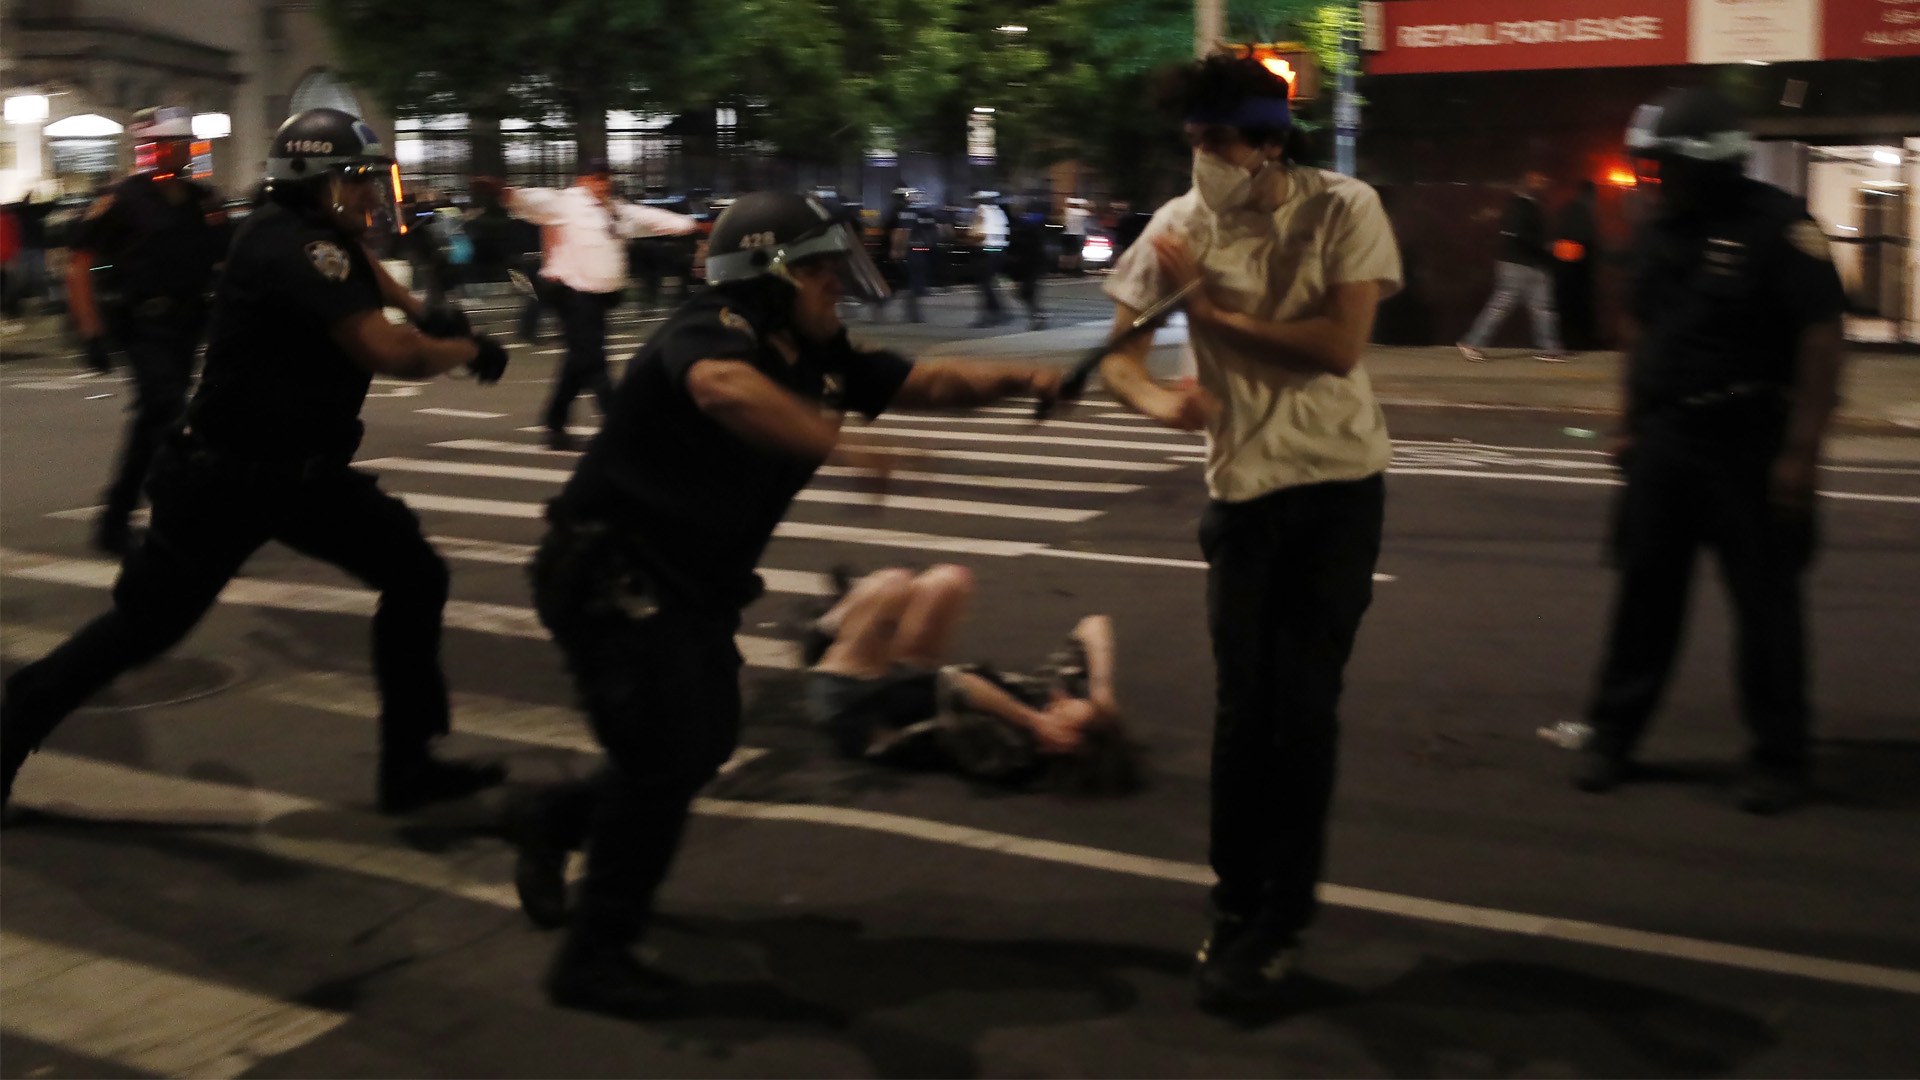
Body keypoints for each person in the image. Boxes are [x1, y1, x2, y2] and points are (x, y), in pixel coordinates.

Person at [507, 190, 1064, 1018]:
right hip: (609, 576)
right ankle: (595, 955)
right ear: (771, 276)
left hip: (686, 585)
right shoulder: (716, 327)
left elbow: (927, 378)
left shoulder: (818, 352)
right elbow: (721, 388)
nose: (837, 286)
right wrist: (839, 443)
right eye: (822, 272)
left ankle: (553, 820)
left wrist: (1024, 375)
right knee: (668, 755)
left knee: (698, 744)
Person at [0, 108, 514, 816]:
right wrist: (468, 351)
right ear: (313, 179)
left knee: (415, 574)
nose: (367, 195)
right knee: (146, 628)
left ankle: (409, 765)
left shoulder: (305, 233)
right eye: (354, 180)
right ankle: (15, 722)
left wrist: (421, 308)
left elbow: (361, 269)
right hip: (226, 480)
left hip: (299, 475)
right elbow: (387, 352)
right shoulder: (295, 247)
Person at [1094, 54, 1401, 1012]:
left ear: (1270, 141)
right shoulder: (1174, 227)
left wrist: (1210, 310)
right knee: (1242, 711)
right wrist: (1155, 402)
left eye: (1220, 140)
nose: (1205, 158)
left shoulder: (1345, 207)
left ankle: (1282, 918)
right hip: (1243, 492)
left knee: (1303, 711)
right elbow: (1119, 356)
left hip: (1341, 484)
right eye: (1192, 142)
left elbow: (1338, 346)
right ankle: (1234, 903)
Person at [1571, 87, 1846, 816]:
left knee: (1766, 610)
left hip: (1750, 446)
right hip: (1668, 443)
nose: (1654, 181)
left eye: (1663, 167)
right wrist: (1629, 422)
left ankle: (1780, 758)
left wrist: (1801, 454)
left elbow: (1821, 343)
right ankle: (1613, 736)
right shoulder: (1665, 231)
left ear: (1709, 163)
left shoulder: (1781, 229)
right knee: (1644, 598)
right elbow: (1641, 330)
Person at [801, 565, 1135, 792]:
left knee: (892, 584)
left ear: (1065, 742)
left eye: (1062, 711)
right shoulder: (1040, 704)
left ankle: (824, 632)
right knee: (951, 580)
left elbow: (957, 683)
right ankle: (846, 618)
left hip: (853, 704)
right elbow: (1093, 625)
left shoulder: (1011, 751)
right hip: (902, 681)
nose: (1059, 698)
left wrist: (1031, 720)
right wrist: (1101, 692)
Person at [64, 107, 226, 555]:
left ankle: (117, 520)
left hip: (188, 324)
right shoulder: (123, 200)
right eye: (171, 144)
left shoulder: (201, 200)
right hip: (141, 324)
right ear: (152, 150)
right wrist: (90, 331)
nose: (180, 152)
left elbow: (222, 260)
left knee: (156, 420)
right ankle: (174, 516)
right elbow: (79, 262)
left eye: (184, 144)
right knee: (167, 410)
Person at [491, 159, 697, 451]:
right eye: (599, 178)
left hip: (599, 299)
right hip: (573, 295)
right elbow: (529, 200)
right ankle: (618, 424)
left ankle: (555, 423)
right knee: (594, 362)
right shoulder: (565, 204)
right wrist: (505, 191)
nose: (605, 183)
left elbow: (647, 218)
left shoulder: (613, 209)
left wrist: (688, 225)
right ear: (584, 180)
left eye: (607, 178)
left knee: (578, 363)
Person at [1456, 170, 1567, 363]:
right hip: (1520, 264)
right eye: (1538, 181)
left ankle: (1551, 349)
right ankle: (1471, 343)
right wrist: (1547, 246)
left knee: (1537, 307)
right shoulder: (1520, 205)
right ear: (1526, 184)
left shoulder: (1527, 204)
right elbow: (1519, 234)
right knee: (1509, 306)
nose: (1542, 184)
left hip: (1528, 263)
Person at [1555, 179, 1600, 351]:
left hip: (1566, 268)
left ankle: (1570, 340)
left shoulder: (1570, 208)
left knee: (1568, 307)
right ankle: (1579, 341)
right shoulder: (1582, 210)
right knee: (1577, 306)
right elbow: (1584, 237)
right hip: (1576, 268)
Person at [873, 187, 931, 324]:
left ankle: (913, 313)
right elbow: (899, 232)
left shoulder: (900, 211)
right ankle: (909, 313)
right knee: (902, 282)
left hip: (906, 250)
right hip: (904, 251)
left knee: (907, 283)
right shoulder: (901, 212)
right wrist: (896, 250)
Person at [1005, 195, 1050, 331]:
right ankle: (1038, 315)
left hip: (1031, 263)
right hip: (1030, 263)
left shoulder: (1026, 224)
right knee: (1024, 293)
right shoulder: (1024, 223)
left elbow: (1021, 245)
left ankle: (1038, 316)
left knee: (1026, 292)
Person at [966, 190, 1010, 328]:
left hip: (986, 252)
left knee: (984, 286)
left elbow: (980, 235)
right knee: (990, 284)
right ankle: (999, 312)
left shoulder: (982, 211)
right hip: (999, 251)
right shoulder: (1000, 212)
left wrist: (967, 239)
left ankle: (989, 316)